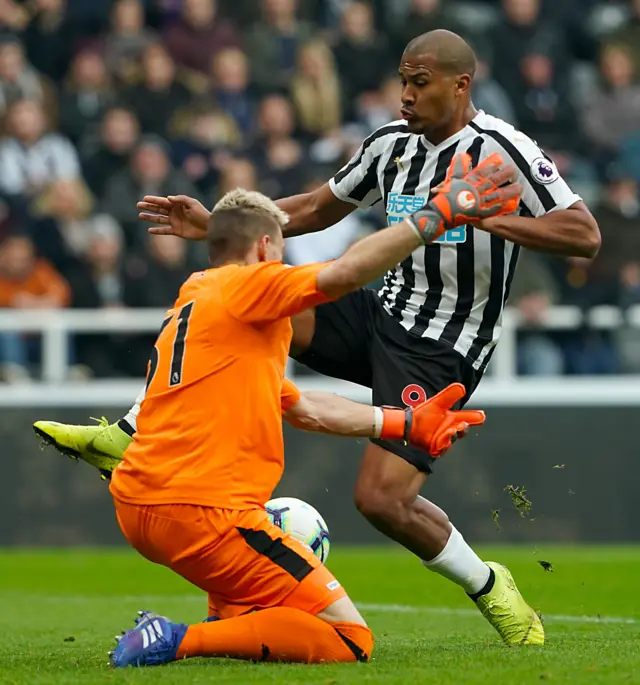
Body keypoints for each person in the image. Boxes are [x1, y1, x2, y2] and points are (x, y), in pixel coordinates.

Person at [35, 29, 601, 646]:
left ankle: (490, 586)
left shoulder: (503, 149)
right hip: (378, 313)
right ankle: (129, 431)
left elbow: (583, 235)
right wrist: (219, 226)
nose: (405, 96)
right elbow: (312, 208)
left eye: (419, 83)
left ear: (460, 84)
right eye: (402, 81)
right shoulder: (390, 145)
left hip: (444, 345)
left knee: (381, 502)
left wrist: (481, 212)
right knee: (257, 298)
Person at [104, 184, 493, 667]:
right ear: (266, 247)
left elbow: (305, 408)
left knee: (255, 587)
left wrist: (405, 422)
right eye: (282, 250)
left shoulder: (197, 297)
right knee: (349, 639)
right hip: (203, 514)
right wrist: (437, 216)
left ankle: (226, 617)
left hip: (139, 504)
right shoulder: (249, 285)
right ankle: (176, 639)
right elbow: (347, 273)